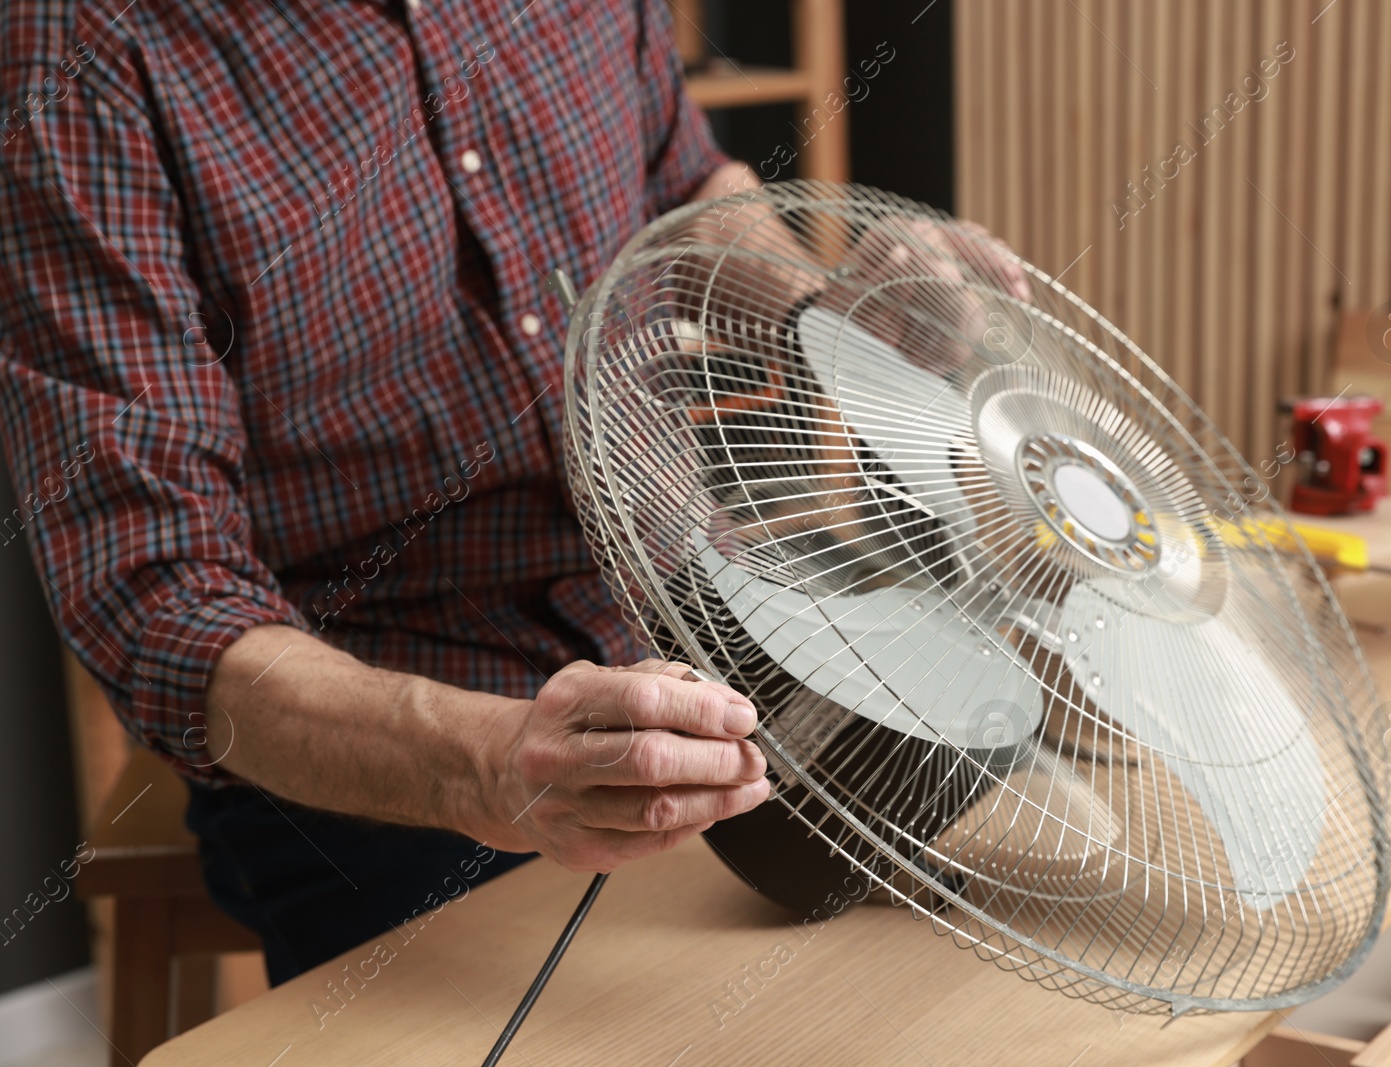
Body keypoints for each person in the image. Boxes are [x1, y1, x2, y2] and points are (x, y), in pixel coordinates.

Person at [0, 0, 1024, 984]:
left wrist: (829, 309)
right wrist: (486, 766)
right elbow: (159, 599)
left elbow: (681, 187)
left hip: (687, 618)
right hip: (392, 741)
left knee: (974, 957)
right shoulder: (85, 46)